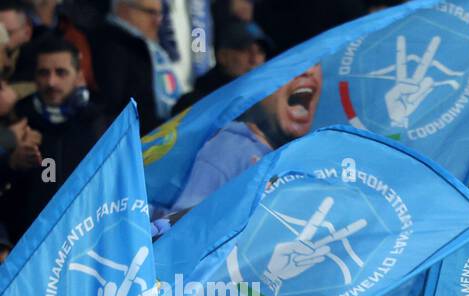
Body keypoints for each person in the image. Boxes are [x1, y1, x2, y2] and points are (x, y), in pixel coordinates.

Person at [169, 64, 322, 213]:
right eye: (299, 62)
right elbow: (183, 230)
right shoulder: (225, 153)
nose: (309, 70)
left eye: (317, 62)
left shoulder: (307, 160)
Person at [3, 35, 106, 239]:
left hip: (85, 239)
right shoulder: (18, 119)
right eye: (43, 73)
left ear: (78, 75)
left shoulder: (97, 123)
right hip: (26, 243)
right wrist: (12, 163)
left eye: (61, 73)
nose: (51, 82)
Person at [92, 0, 182, 132]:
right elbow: (116, 108)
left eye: (159, 14)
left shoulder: (146, 48)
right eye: (151, 13)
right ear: (124, 9)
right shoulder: (111, 48)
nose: (158, 22)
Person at [171, 19, 271, 115]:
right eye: (245, 50)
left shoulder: (266, 105)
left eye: (260, 51)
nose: (254, 59)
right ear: (223, 56)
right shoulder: (193, 105)